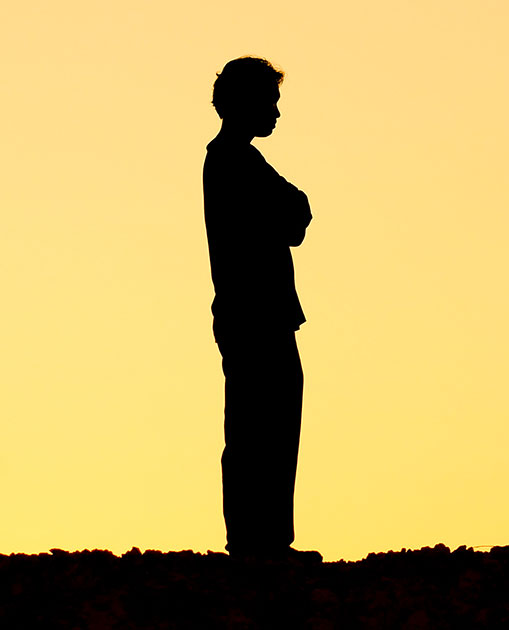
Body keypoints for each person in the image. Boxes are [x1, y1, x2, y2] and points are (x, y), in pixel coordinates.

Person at [202, 57, 319, 561]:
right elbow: (295, 213)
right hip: (255, 315)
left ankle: (263, 540)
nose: (275, 113)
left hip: (257, 313)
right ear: (243, 103)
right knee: (259, 430)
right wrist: (290, 209)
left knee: (265, 427)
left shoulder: (237, 160)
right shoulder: (234, 162)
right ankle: (258, 542)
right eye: (269, 102)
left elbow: (294, 214)